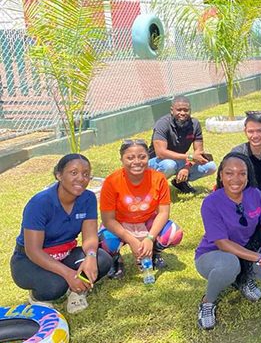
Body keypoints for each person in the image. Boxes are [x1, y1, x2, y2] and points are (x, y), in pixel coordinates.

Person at [195, 152, 261, 330]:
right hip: (213, 255)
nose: (236, 179)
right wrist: (260, 258)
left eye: (242, 173)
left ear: (248, 176)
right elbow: (222, 243)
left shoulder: (254, 194)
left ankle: (242, 278)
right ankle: (207, 302)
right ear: (221, 175)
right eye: (229, 173)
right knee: (229, 265)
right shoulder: (210, 203)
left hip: (246, 251)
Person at [11, 154, 112, 313]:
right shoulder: (40, 203)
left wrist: (91, 256)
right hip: (30, 260)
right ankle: (38, 297)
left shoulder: (88, 198)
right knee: (56, 285)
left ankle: (77, 290)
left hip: (65, 254)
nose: (81, 178)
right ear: (59, 175)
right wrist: (68, 274)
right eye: (73, 173)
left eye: (86, 174)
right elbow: (33, 251)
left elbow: (90, 236)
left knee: (102, 260)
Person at [100, 139, 184, 279]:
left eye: (142, 157)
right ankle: (115, 260)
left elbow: (163, 213)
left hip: (146, 221)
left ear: (149, 157)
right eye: (130, 157)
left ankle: (154, 252)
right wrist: (132, 240)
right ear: (121, 159)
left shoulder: (158, 179)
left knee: (173, 234)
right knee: (103, 243)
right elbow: (108, 220)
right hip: (120, 223)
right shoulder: (111, 182)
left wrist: (150, 239)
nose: (137, 162)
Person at [148, 95, 217, 194]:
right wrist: (189, 157)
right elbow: (160, 153)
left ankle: (180, 182)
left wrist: (187, 167)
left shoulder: (195, 124)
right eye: (179, 110)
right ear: (172, 110)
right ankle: (151, 188)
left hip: (179, 160)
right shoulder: (162, 124)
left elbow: (198, 152)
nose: (182, 113)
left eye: (186, 110)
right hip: (156, 162)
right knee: (169, 165)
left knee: (210, 166)